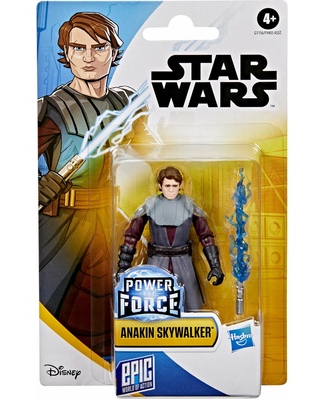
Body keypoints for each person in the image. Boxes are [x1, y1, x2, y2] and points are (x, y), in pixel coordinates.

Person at [38, 12, 156, 359]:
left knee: (116, 299)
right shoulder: (53, 109)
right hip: (65, 224)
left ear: (113, 52)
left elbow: (153, 151)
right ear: (66, 52)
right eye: (79, 48)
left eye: (99, 47)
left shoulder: (124, 103)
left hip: (109, 217)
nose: (88, 57)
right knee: (61, 303)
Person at [117, 166, 224, 311]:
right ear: (160, 186)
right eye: (167, 186)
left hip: (183, 263)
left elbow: (206, 237)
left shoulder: (189, 206)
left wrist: (215, 266)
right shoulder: (150, 206)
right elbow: (131, 237)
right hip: (157, 263)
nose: (171, 190)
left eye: (175, 186)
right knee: (154, 304)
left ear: (180, 185)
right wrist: (123, 268)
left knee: (188, 305)